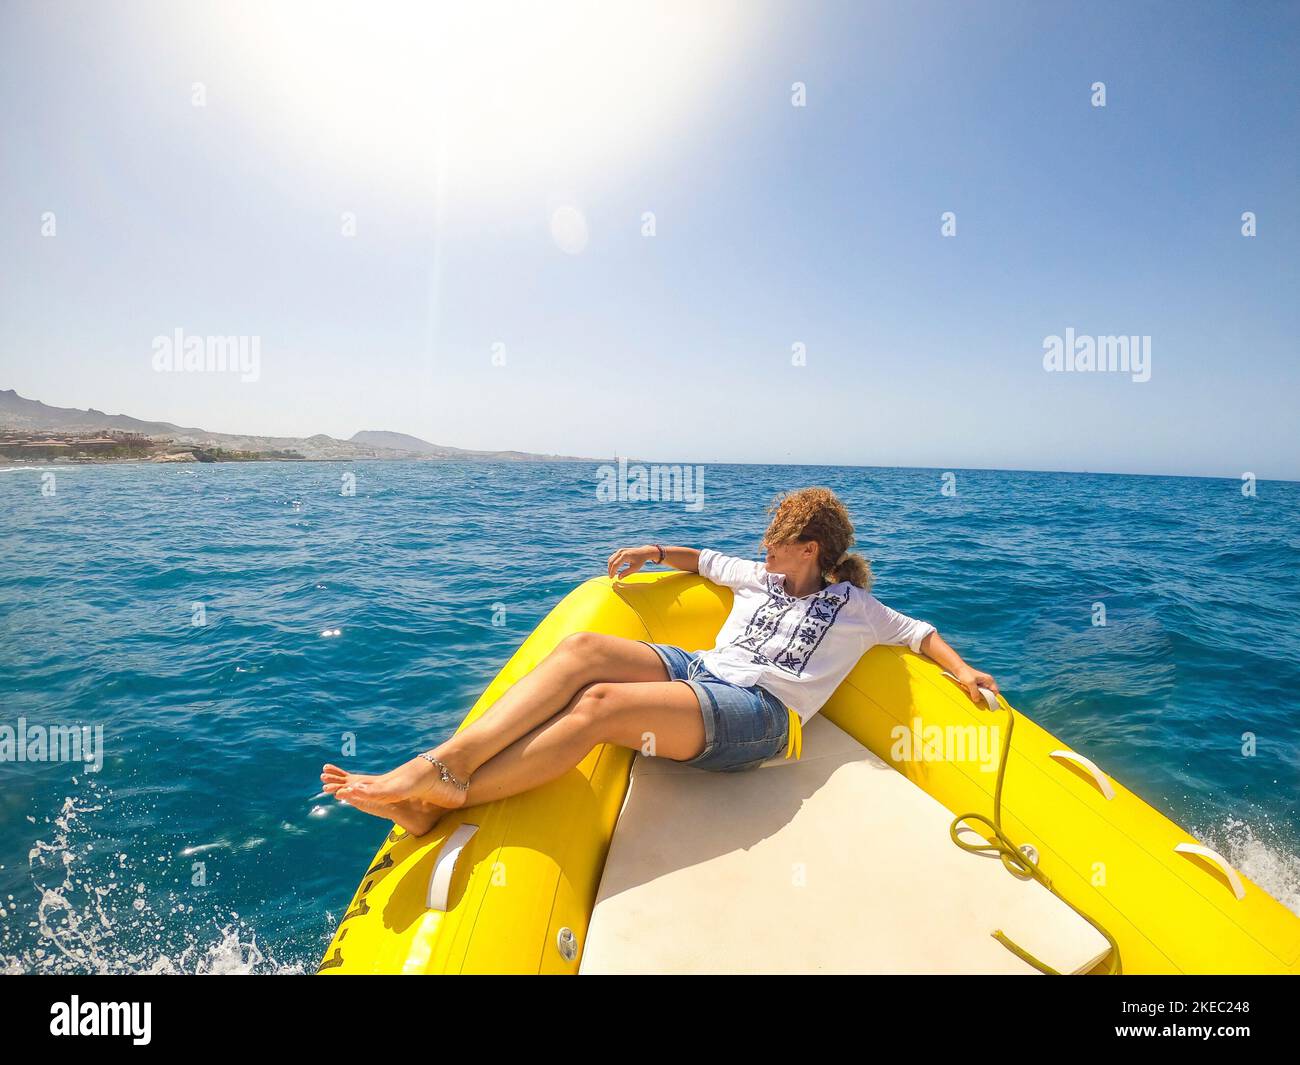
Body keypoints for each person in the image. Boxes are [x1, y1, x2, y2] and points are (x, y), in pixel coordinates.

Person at [321, 487, 998, 835]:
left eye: (776, 545)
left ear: (811, 549)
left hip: (761, 715)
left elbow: (918, 632)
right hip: (702, 669)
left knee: (600, 706)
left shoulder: (854, 605)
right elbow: (699, 557)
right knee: (585, 649)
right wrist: (652, 548)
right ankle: (446, 765)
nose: (763, 554)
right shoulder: (758, 577)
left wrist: (962, 669)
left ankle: (450, 793)